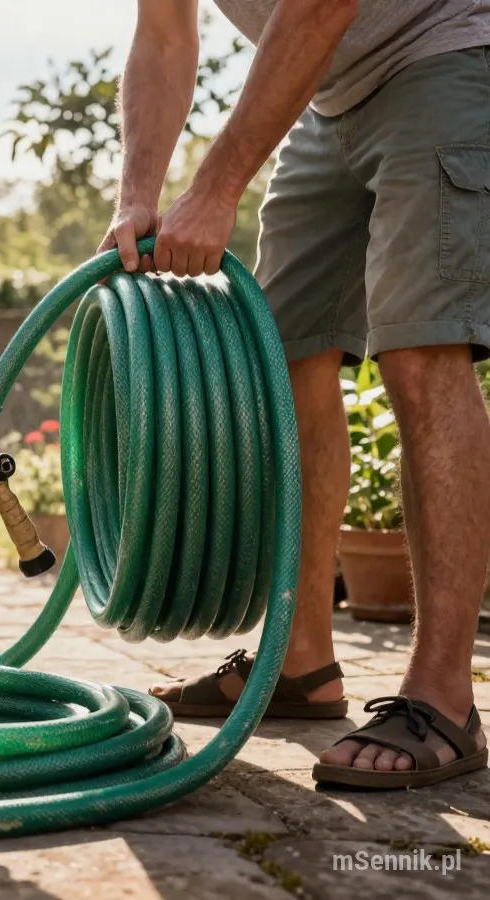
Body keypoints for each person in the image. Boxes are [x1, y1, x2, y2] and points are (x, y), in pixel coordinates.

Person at [102, 0, 490, 789]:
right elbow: (164, 33)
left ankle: (444, 698)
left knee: (420, 349)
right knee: (278, 357)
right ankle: (302, 662)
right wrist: (136, 194)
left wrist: (216, 188)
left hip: (445, 51)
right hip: (330, 92)